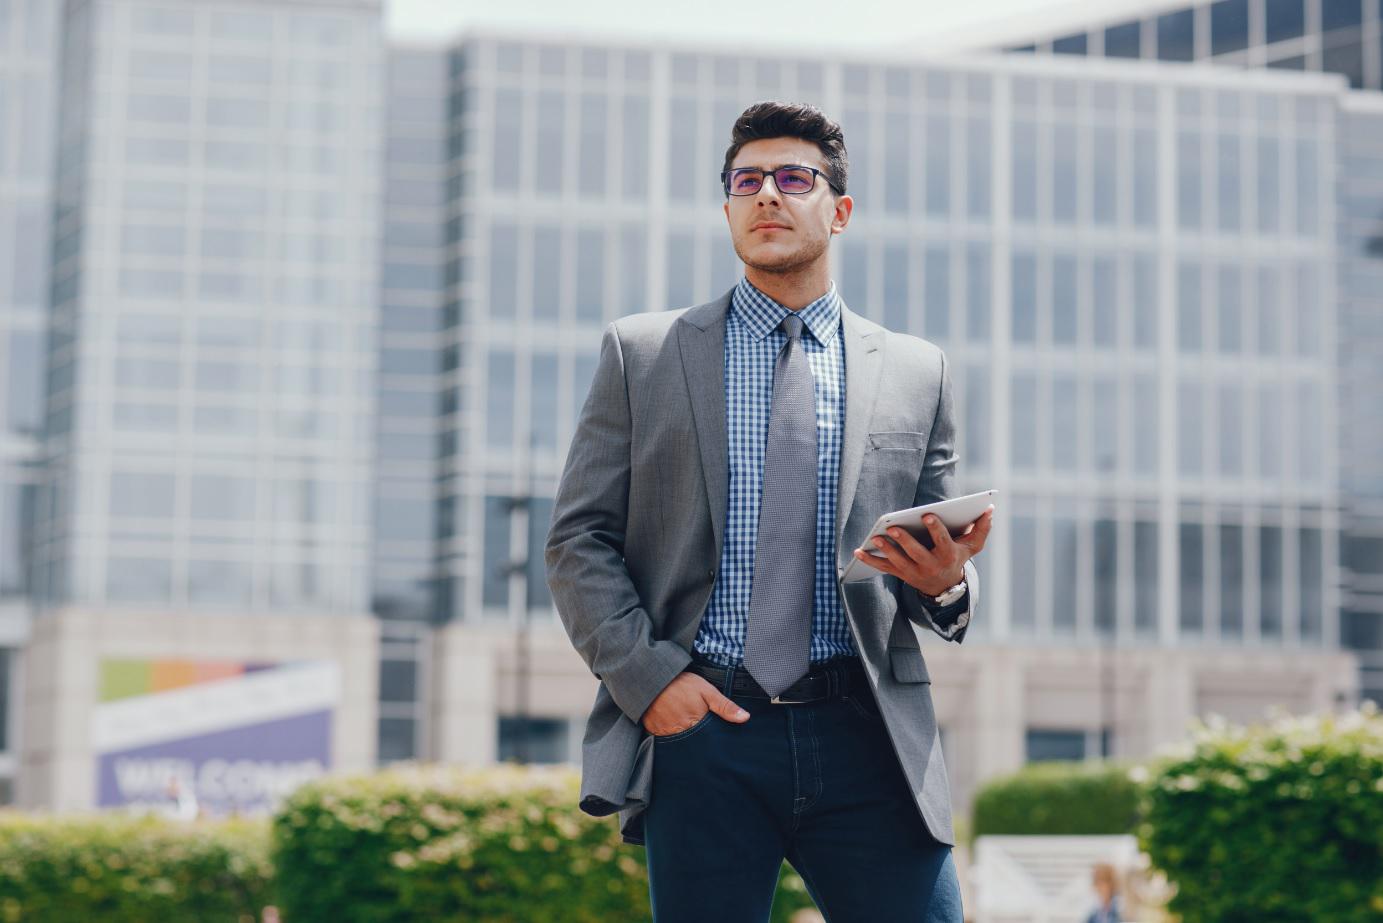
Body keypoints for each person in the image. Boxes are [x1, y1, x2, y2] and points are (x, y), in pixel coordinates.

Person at [546, 100, 993, 923]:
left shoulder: (916, 370)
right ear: (726, 209)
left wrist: (945, 585)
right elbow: (579, 539)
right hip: (704, 728)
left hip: (870, 733)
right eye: (745, 181)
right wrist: (653, 685)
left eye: (794, 178)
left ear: (840, 209)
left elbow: (934, 562)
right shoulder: (643, 353)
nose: (766, 196)